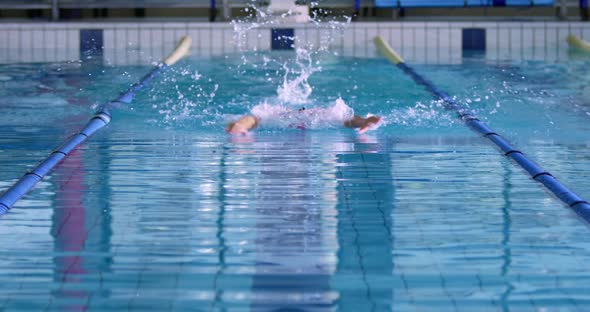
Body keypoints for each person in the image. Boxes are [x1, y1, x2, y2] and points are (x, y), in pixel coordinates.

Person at [226, 98, 382, 135]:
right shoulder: (277, 114)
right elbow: (254, 118)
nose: (300, 113)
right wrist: (240, 125)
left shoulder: (320, 115)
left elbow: (348, 120)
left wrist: (365, 121)